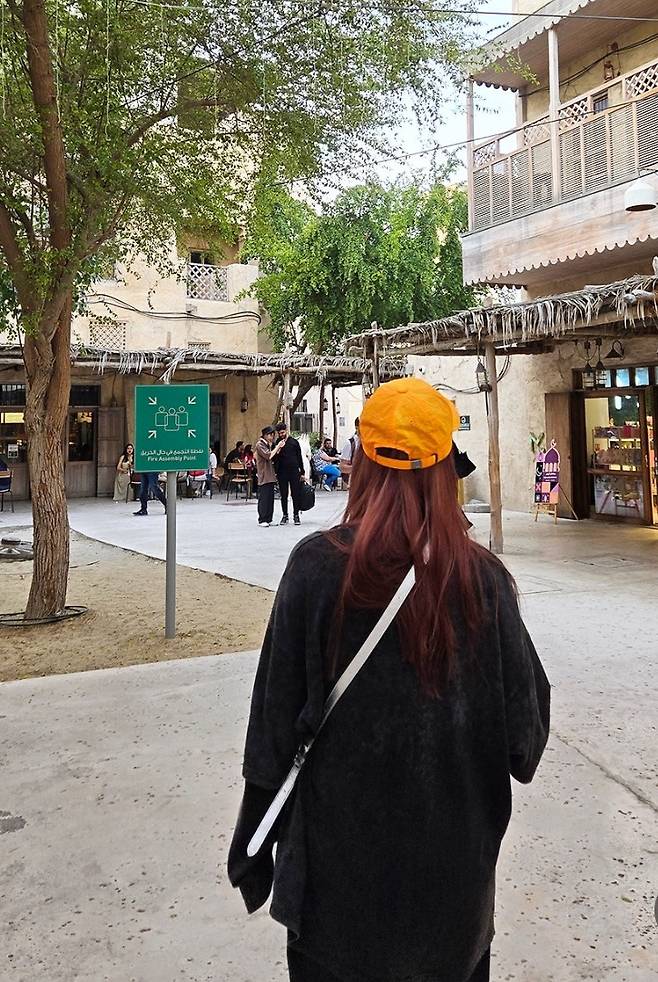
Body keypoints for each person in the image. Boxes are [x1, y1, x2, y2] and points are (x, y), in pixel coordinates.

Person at [228, 377, 550, 982]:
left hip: (335, 899)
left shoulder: (315, 569)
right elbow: (524, 744)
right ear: (446, 472)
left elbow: (273, 724)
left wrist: (251, 843)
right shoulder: (482, 582)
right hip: (454, 900)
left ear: (363, 467)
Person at [274, 422, 305, 525]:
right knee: (283, 495)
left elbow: (299, 457)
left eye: (282, 432)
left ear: (286, 431)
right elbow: (274, 458)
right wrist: (278, 449)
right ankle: (285, 515)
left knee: (295, 494)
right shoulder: (277, 443)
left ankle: (296, 515)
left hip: (294, 471)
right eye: (279, 433)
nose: (281, 435)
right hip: (282, 472)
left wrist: (302, 472)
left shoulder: (294, 442)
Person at [255, 426, 284, 526]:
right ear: (264, 435)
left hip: (270, 475)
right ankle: (262, 519)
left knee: (270, 499)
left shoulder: (268, 445)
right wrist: (277, 447)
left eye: (273, 435)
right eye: (270, 435)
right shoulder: (260, 444)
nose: (272, 437)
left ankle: (268, 518)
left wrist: (277, 449)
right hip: (264, 476)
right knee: (264, 498)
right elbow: (268, 456)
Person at [339, 417, 360, 487]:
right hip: (357, 483)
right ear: (357, 427)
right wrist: (358, 469)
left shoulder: (374, 442)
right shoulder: (350, 443)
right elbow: (342, 467)